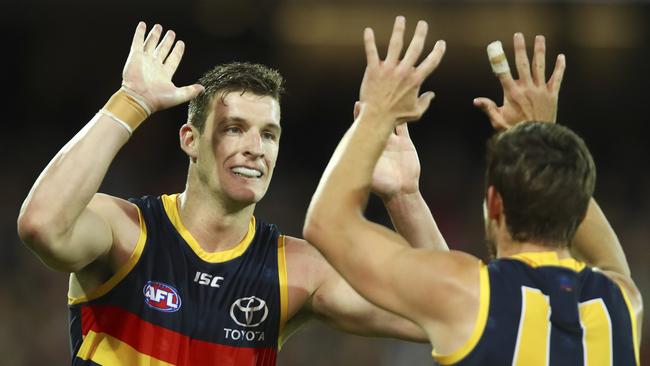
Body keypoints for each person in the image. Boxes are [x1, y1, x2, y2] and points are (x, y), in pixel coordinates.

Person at [17, 21, 447, 365]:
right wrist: (131, 101)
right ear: (190, 140)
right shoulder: (127, 232)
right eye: (234, 128)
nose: (255, 148)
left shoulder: (294, 271)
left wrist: (405, 197)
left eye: (269, 134)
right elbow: (41, 223)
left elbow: (445, 315)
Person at [304, 16, 642, 365]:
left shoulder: (469, 294)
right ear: (576, 209)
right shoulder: (622, 302)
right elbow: (604, 252)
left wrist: (376, 113)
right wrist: (540, 135)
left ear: (494, 202)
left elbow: (327, 223)